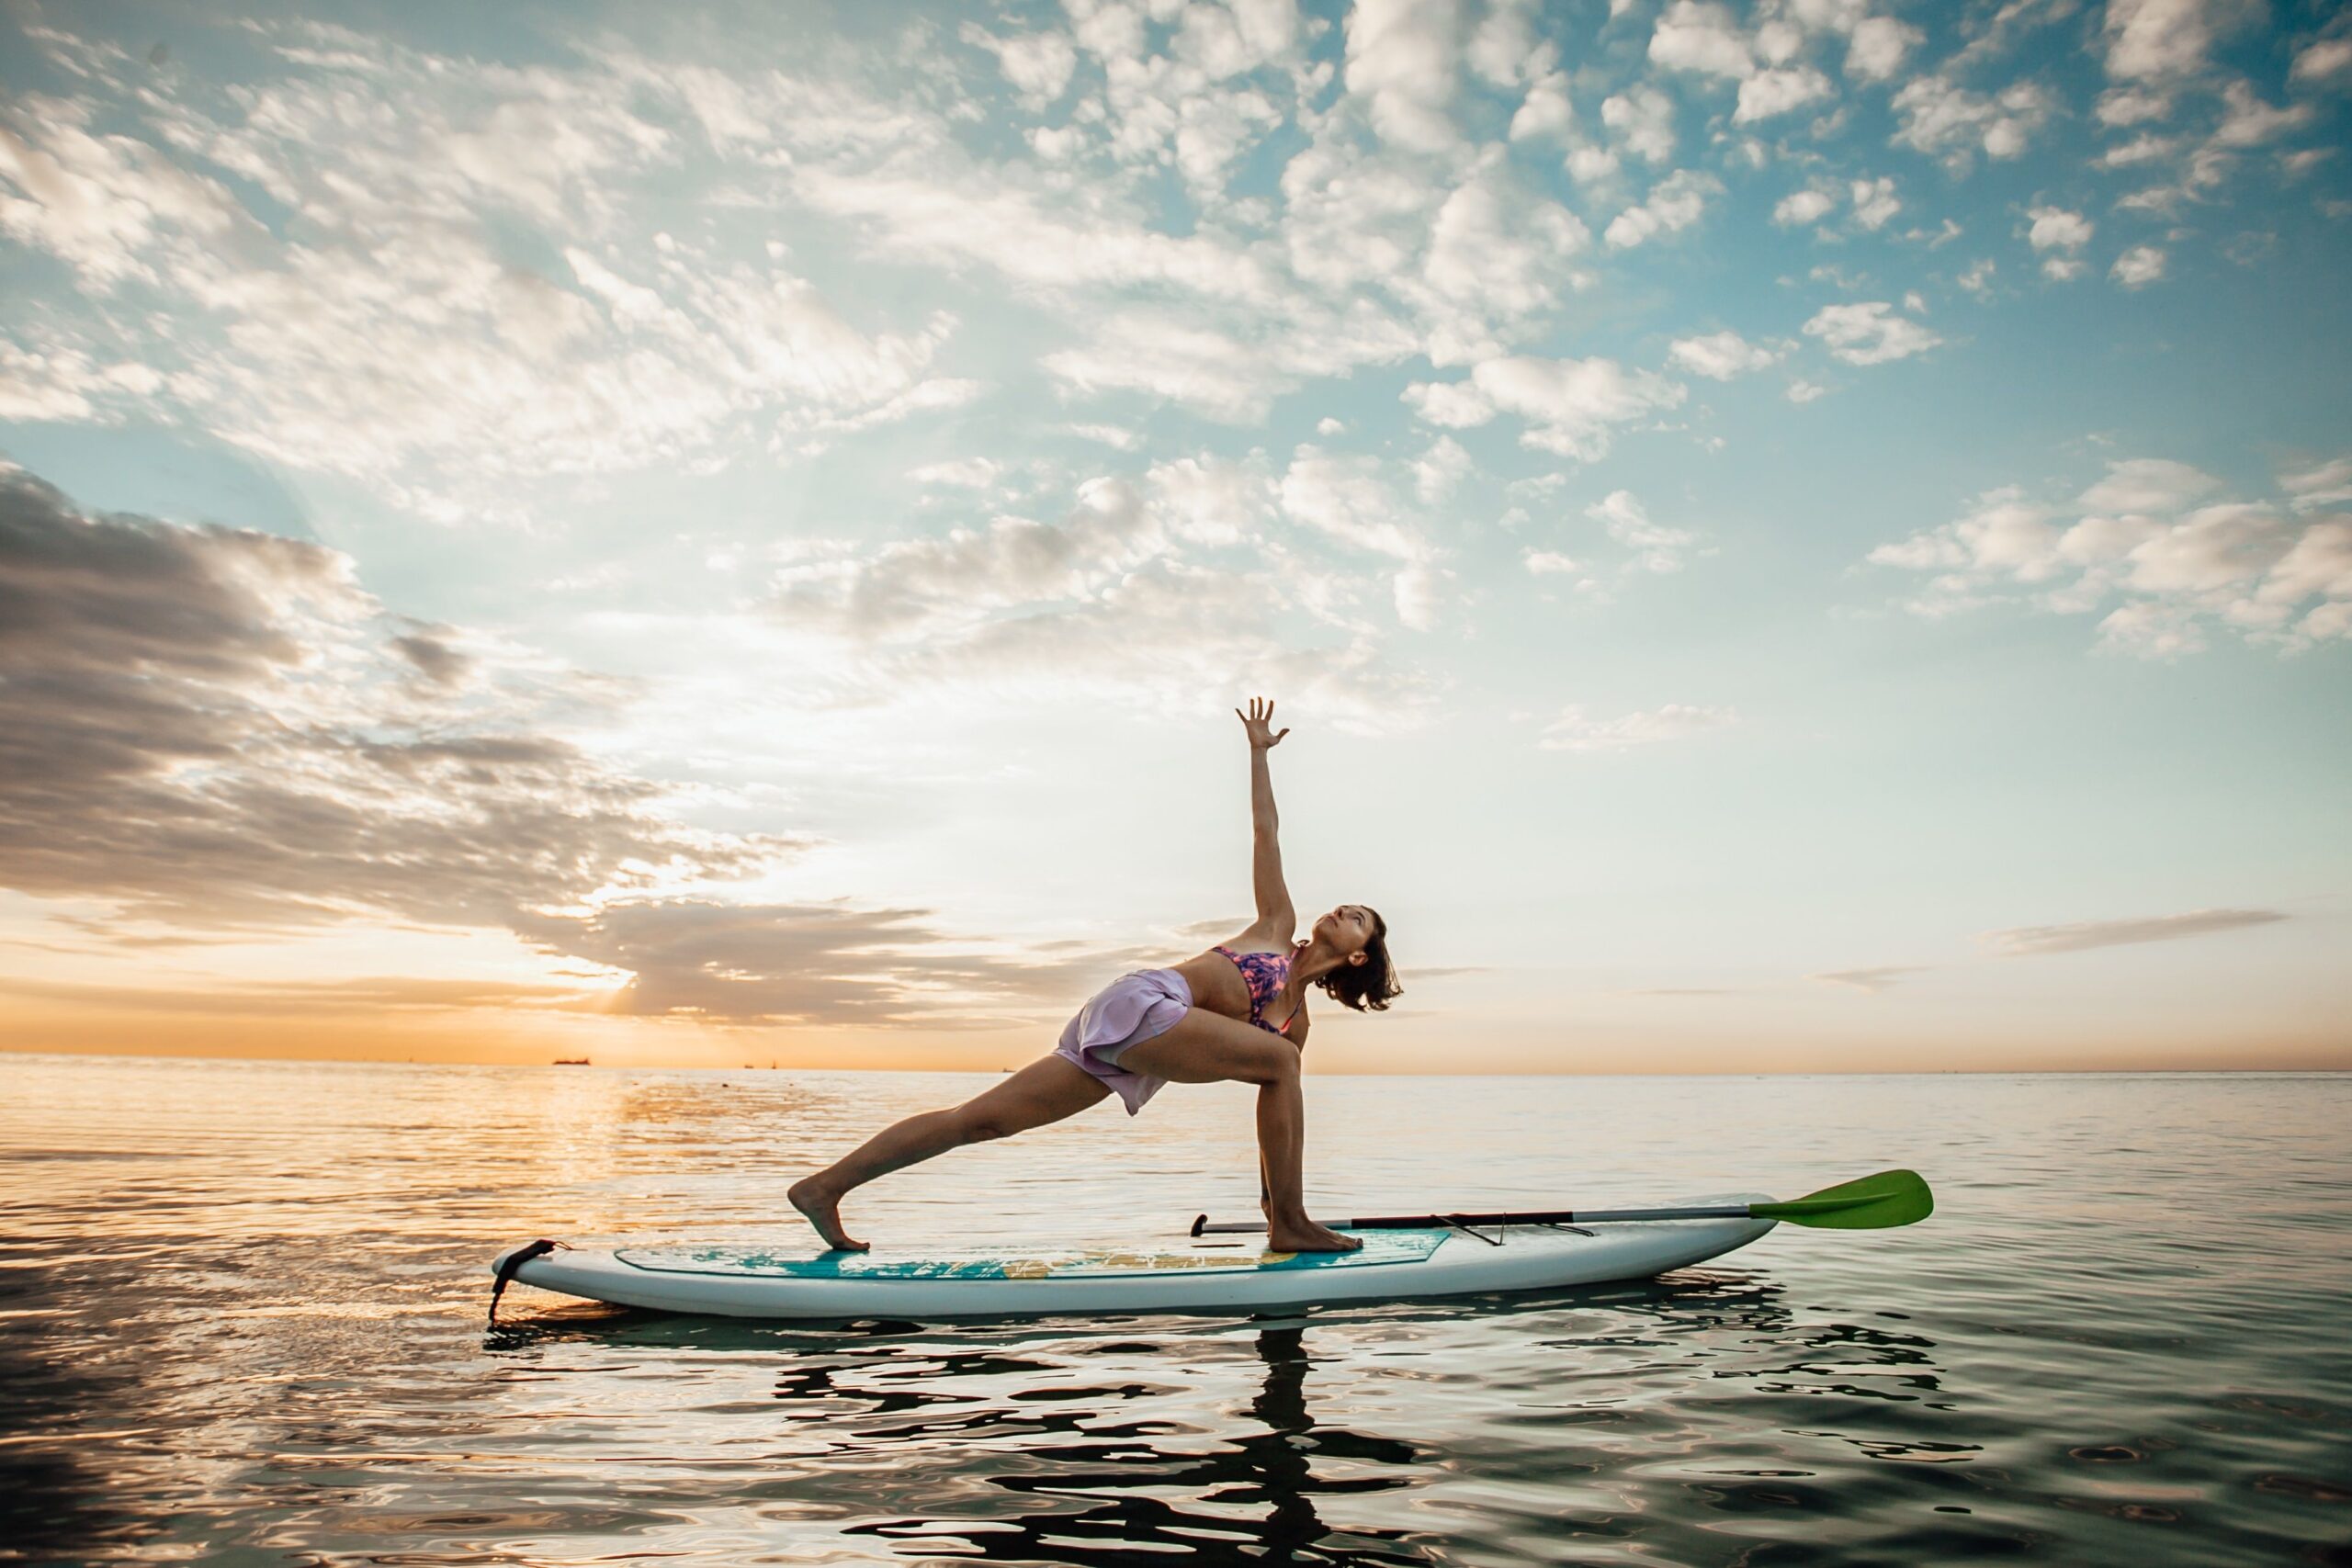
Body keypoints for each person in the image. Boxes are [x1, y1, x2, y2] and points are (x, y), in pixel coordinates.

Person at [788, 697, 1401, 1255]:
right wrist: (1257, 754)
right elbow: (1266, 831)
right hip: (1145, 1002)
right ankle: (1290, 1222)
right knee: (1282, 1063)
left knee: (981, 1120)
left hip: (1135, 1049)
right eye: (1347, 906)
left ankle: (825, 1186)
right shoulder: (1275, 925)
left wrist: (1269, 1191)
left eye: (1359, 920)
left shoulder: (1293, 1027)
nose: (1344, 910)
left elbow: (1276, 1115)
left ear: (1357, 956)